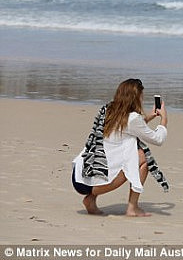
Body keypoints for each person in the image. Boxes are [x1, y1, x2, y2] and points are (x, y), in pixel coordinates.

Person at [71, 79, 168, 216]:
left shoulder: (108, 110)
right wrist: (164, 120)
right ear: (136, 97)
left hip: (79, 176)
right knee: (143, 159)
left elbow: (126, 128)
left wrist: (149, 117)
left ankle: (91, 200)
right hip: (93, 185)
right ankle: (132, 208)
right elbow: (158, 139)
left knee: (113, 158)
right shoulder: (133, 119)